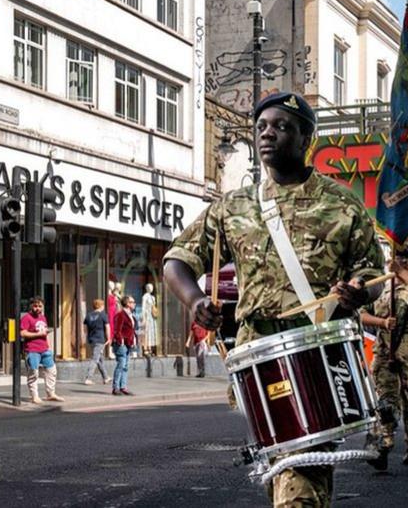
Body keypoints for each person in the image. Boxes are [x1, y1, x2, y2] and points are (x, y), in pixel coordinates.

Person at [162, 92, 382, 507]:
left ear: (305, 139)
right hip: (257, 356)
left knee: (299, 474)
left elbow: (373, 274)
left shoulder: (341, 204)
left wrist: (358, 291)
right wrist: (194, 301)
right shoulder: (233, 206)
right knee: (284, 470)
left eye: (281, 127)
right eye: (261, 126)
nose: (267, 134)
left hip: (317, 352)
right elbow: (176, 261)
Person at [362, 250, 408, 467]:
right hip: (384, 351)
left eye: (404, 262)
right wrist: (382, 323)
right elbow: (362, 314)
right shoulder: (381, 287)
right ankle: (383, 446)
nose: (397, 264)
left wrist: (402, 273)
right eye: (394, 261)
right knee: (385, 401)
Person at [20, 297, 64, 404]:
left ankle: (51, 393)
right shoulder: (26, 318)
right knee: (33, 373)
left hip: (44, 349)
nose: (37, 308)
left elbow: (42, 331)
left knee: (51, 371)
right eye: (35, 306)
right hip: (32, 350)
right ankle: (34, 396)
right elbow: (22, 333)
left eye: (40, 306)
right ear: (31, 306)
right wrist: (38, 334)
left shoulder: (43, 317)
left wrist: (45, 333)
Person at [112, 295, 137, 396]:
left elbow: (131, 330)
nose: (134, 304)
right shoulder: (121, 315)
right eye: (132, 302)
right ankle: (116, 388)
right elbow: (117, 330)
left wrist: (134, 340)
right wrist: (121, 341)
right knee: (121, 365)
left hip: (128, 344)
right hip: (121, 344)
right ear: (127, 303)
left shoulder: (131, 315)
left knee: (125, 366)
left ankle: (123, 387)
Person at [82, 298, 111, 385]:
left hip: (92, 339)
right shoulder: (103, 315)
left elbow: (84, 329)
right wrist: (109, 338)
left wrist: (88, 336)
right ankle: (88, 378)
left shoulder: (88, 315)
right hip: (100, 339)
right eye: (103, 305)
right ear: (101, 306)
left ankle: (106, 377)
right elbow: (107, 327)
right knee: (95, 359)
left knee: (99, 358)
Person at [142, 283, 158, 357]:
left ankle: (150, 348)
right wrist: (143, 317)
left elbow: (154, 307)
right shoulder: (145, 296)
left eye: (152, 287)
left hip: (152, 317)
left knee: (152, 332)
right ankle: (146, 349)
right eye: (149, 287)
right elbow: (143, 307)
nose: (151, 288)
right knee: (147, 332)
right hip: (147, 316)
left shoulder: (153, 297)